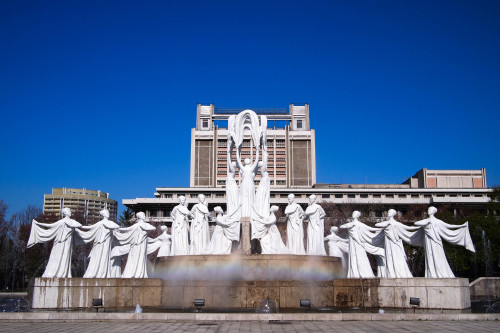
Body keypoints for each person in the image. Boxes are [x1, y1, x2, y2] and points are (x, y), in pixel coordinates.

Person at [413, 206, 475, 278]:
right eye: (428, 209)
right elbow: (416, 223)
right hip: (428, 242)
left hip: (436, 241)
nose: (428, 211)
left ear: (433, 211)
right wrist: (427, 221)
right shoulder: (426, 221)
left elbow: (448, 226)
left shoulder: (438, 221)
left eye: (430, 209)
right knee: (430, 256)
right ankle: (431, 274)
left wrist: (461, 225)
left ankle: (441, 272)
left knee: (438, 256)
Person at [27, 207, 82, 278]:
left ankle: (65, 273)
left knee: (66, 256)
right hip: (60, 242)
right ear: (65, 213)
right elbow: (51, 225)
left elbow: (79, 225)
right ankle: (54, 272)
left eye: (70, 211)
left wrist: (70, 224)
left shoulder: (71, 221)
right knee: (57, 256)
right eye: (68, 211)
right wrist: (39, 224)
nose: (70, 212)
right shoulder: (62, 221)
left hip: (67, 242)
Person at [374, 209, 419, 278]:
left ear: (394, 214)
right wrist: (388, 223)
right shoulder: (386, 224)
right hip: (388, 244)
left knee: (397, 257)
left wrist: (418, 227)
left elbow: (407, 228)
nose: (389, 213)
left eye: (391, 212)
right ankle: (390, 273)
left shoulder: (397, 224)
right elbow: (377, 225)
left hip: (395, 245)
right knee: (389, 257)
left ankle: (399, 272)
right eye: (388, 211)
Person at [77, 209, 121, 278]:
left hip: (106, 244)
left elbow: (117, 227)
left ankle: (104, 273)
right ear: (103, 214)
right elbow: (90, 227)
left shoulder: (110, 223)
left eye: (108, 212)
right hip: (99, 243)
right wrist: (79, 227)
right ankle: (96, 272)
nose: (108, 213)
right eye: (106, 212)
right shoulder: (100, 223)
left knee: (105, 257)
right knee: (97, 256)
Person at [340, 211, 384, 278]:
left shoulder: (361, 225)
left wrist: (381, 229)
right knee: (353, 256)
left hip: (359, 244)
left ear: (358, 216)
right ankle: (354, 273)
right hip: (352, 245)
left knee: (361, 256)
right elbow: (341, 226)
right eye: (353, 213)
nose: (353, 214)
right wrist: (351, 224)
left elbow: (370, 228)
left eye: (355, 213)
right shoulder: (351, 224)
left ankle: (364, 272)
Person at [111, 212, 155, 278]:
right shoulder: (136, 226)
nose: (144, 216)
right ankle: (134, 272)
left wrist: (143, 226)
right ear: (139, 216)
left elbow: (153, 228)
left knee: (141, 257)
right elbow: (127, 229)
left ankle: (140, 272)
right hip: (136, 245)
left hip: (142, 245)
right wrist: (118, 229)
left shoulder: (144, 225)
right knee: (135, 256)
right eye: (143, 215)